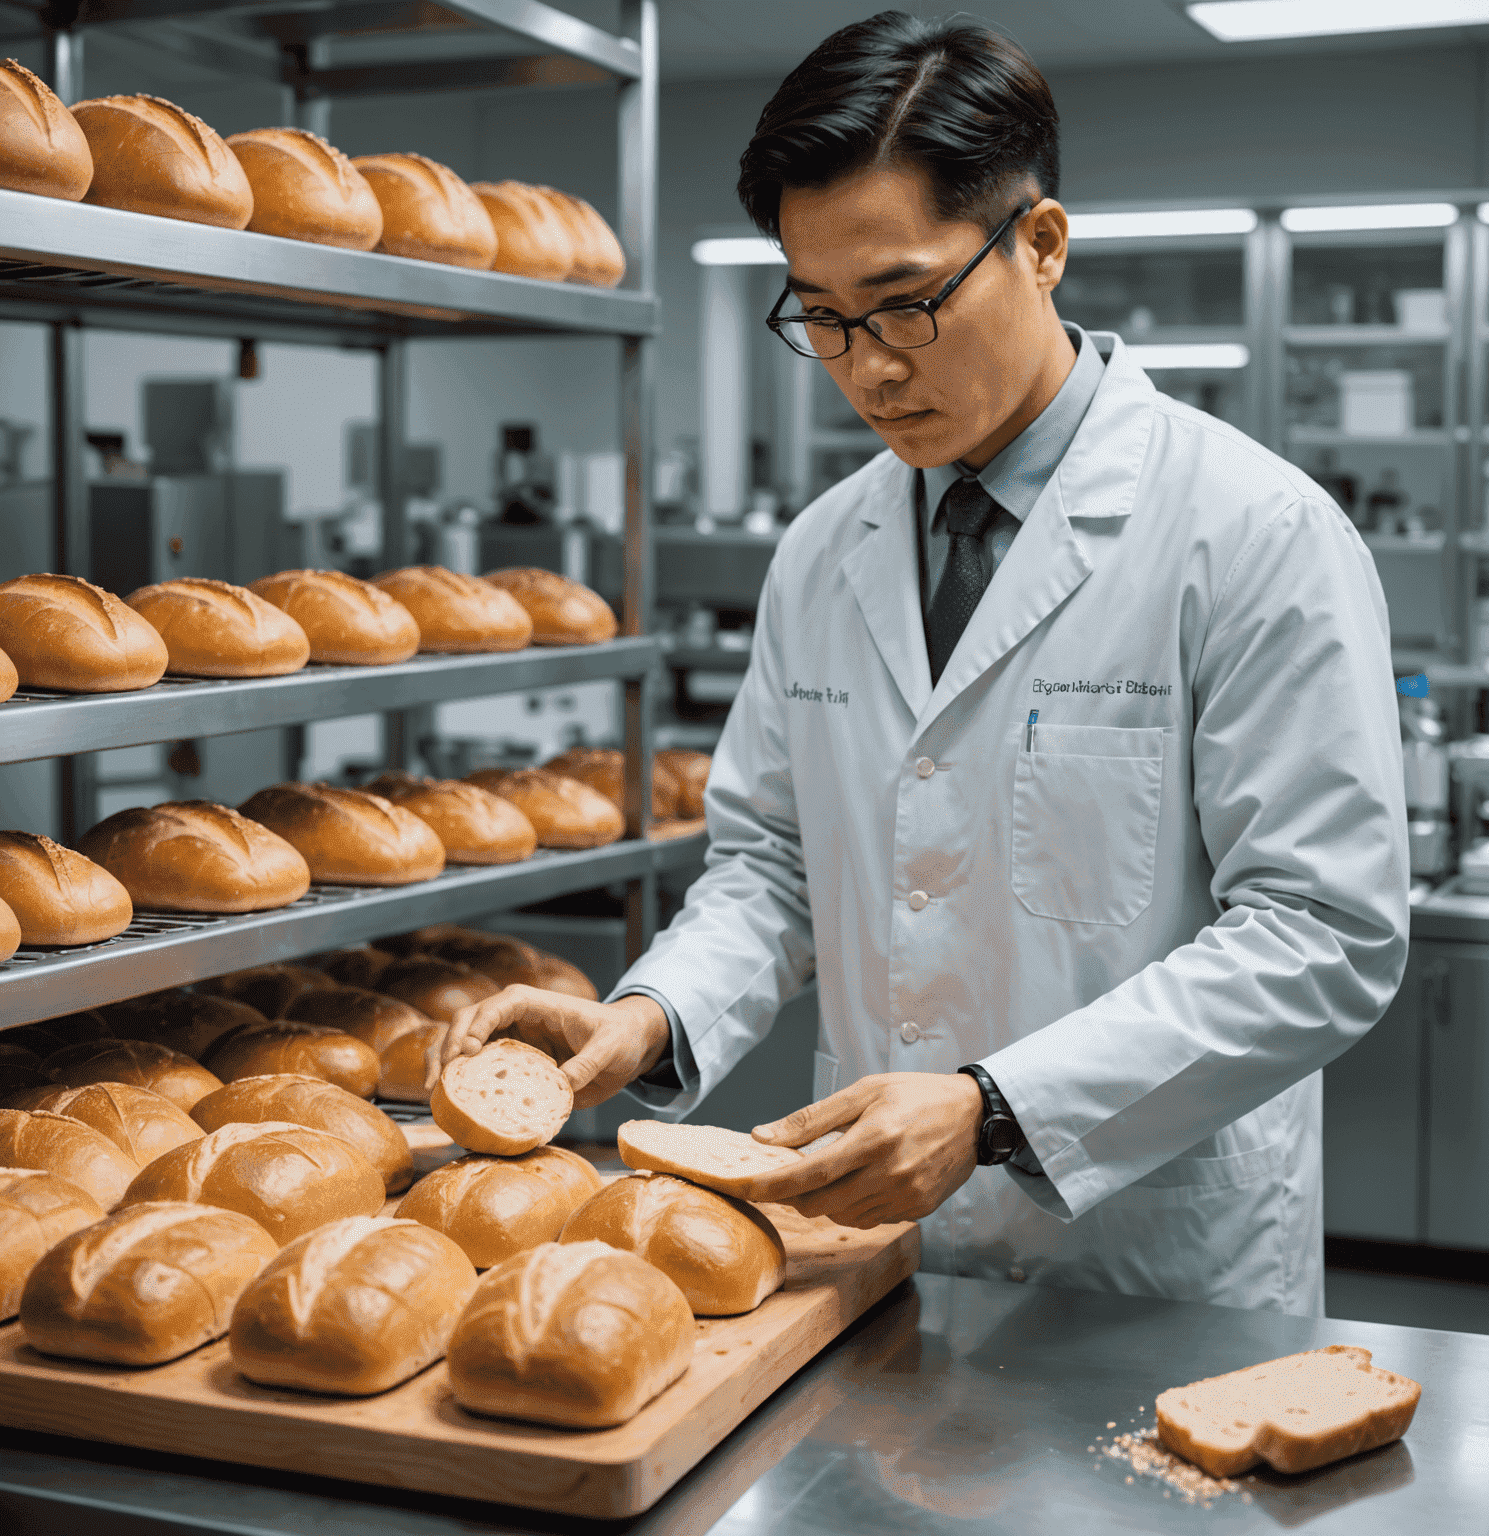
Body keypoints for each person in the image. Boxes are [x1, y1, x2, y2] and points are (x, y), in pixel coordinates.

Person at [432, 11, 1408, 1315]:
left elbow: (1324, 931)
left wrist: (996, 1109)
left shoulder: (1250, 531)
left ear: (1042, 245)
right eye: (822, 318)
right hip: (877, 1257)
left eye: (907, 304)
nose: (871, 370)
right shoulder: (823, 548)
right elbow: (773, 860)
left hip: (1145, 1268)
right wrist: (653, 1014)